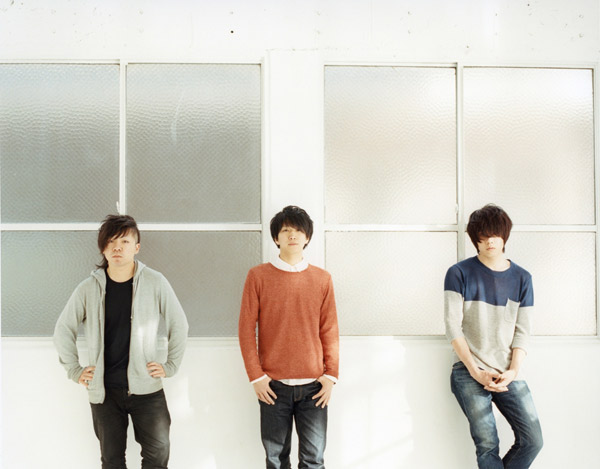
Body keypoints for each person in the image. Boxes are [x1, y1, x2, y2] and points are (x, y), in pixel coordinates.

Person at [54, 214, 188, 469]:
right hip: (105, 391)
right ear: (103, 248)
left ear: (136, 247)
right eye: (111, 242)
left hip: (147, 389)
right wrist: (74, 370)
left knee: (158, 455)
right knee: (112, 461)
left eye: (125, 242)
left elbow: (179, 324)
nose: (117, 248)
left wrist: (170, 365)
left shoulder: (155, 282)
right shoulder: (88, 288)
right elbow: (63, 329)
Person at [238, 205, 340, 469]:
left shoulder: (322, 279)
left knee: (314, 460)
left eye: (298, 230)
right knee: (276, 460)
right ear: (276, 237)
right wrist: (257, 377)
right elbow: (246, 329)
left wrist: (330, 376)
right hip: (273, 387)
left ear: (307, 237)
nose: (292, 235)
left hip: (315, 388)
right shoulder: (257, 276)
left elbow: (329, 329)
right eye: (285, 230)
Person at [444, 204, 543, 468]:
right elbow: (452, 326)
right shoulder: (459, 273)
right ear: (475, 238)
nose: (490, 241)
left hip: (507, 372)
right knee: (487, 444)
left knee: (533, 440)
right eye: (483, 235)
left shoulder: (522, 278)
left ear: (504, 236)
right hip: (468, 371)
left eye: (495, 234)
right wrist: (475, 371)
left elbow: (523, 331)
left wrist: (513, 370)